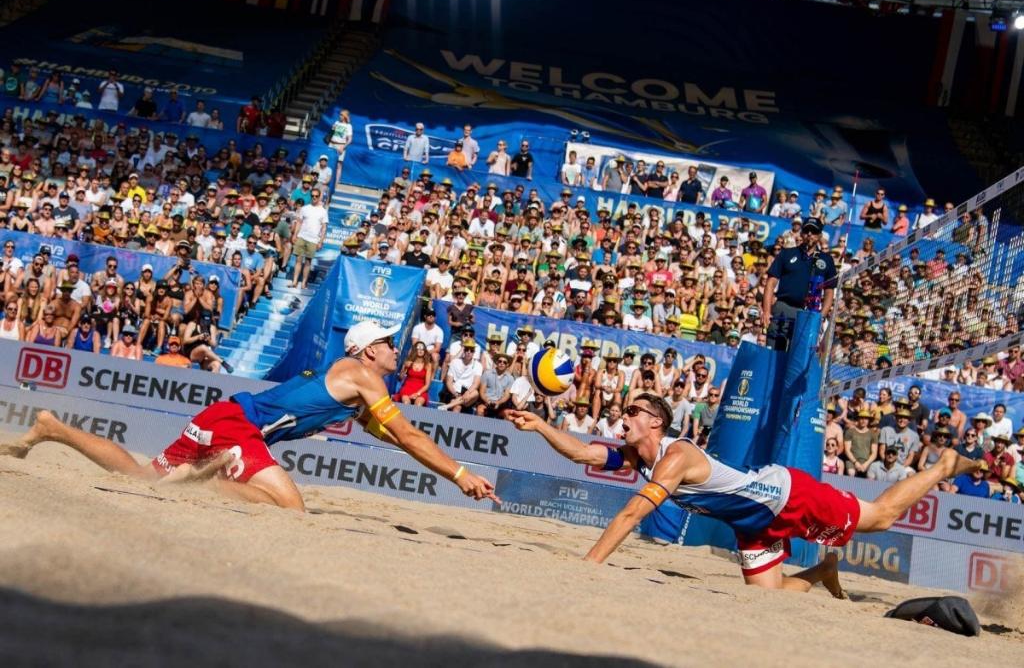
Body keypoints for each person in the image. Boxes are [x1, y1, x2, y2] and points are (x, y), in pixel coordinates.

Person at [507, 394, 984, 593]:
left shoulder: (676, 456)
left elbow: (633, 514)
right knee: (766, 598)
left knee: (878, 518)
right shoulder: (641, 456)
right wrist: (541, 425)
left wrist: (588, 567)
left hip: (785, 496)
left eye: (632, 411)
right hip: (751, 523)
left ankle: (941, 463)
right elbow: (583, 455)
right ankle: (822, 569)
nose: (622, 416)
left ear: (656, 421)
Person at [3, 321, 498, 510]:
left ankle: (53, 428)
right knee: (290, 509)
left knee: (140, 474)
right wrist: (458, 474)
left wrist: (452, 472)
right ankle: (201, 481)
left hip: (226, 417)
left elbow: (395, 439)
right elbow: (409, 434)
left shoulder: (353, 387)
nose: (397, 348)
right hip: (237, 426)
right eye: (389, 343)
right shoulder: (364, 376)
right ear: (369, 351)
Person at [761, 217, 836, 350]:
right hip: (783, 308)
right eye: (806, 230)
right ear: (801, 233)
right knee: (773, 350)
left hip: (808, 313)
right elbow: (770, 283)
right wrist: (766, 311)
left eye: (813, 232)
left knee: (798, 356)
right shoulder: (787, 253)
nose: (809, 234)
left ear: (819, 235)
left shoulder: (827, 260)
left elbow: (829, 292)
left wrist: (820, 317)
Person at [290, 188, 327, 289]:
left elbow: (324, 227)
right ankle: (294, 281)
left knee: (308, 262)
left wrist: (321, 241)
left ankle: (303, 283)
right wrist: (295, 235)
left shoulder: (323, 211)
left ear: (319, 197)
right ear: (310, 196)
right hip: (302, 236)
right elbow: (299, 222)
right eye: (312, 196)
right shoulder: (305, 208)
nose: (314, 197)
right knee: (298, 260)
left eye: (316, 196)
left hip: (313, 239)